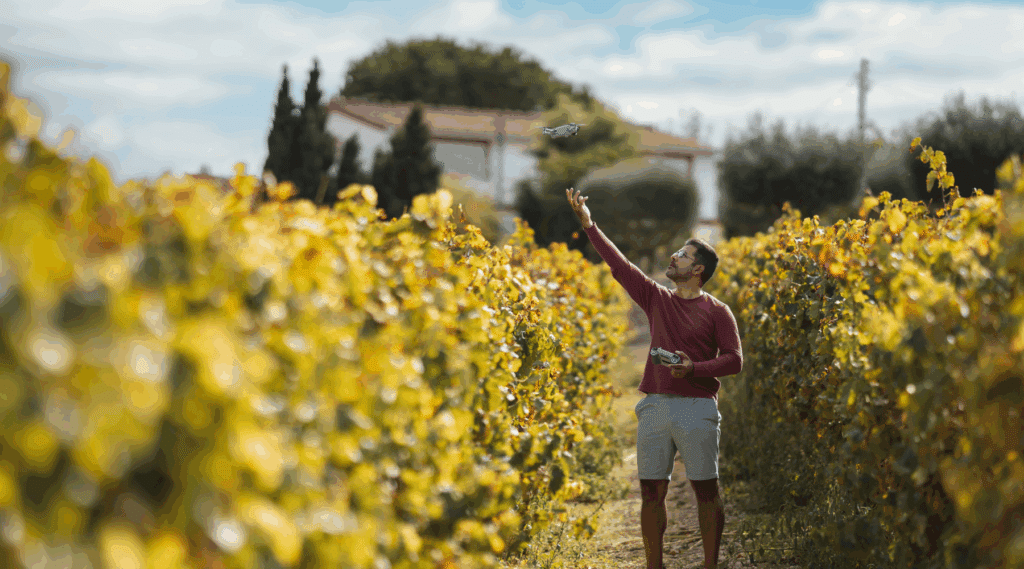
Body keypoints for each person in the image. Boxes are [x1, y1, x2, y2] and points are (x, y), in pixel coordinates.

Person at [566, 187, 743, 569]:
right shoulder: (656, 298)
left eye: (683, 255)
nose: (674, 257)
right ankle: (654, 566)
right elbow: (620, 266)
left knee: (706, 490)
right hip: (656, 406)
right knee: (650, 492)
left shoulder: (718, 312)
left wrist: (694, 369)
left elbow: (734, 361)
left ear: (697, 270)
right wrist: (590, 226)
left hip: (698, 407)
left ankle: (710, 565)